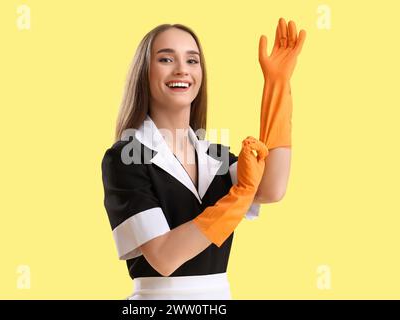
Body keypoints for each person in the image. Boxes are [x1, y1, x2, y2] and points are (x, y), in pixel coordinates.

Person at [101, 19, 306, 300]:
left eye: (192, 60)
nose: (182, 69)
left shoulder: (215, 156)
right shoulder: (125, 158)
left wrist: (278, 85)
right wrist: (237, 197)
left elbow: (272, 189)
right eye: (165, 59)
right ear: (144, 72)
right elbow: (164, 257)